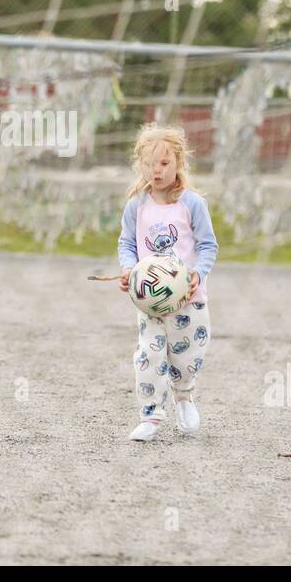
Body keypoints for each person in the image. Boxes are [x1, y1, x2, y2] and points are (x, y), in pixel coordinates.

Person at [117, 123, 218, 442]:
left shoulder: (191, 204)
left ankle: (184, 397)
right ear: (140, 164)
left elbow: (208, 246)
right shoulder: (136, 205)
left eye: (163, 163)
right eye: (149, 164)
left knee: (185, 359)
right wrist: (130, 270)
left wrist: (196, 274)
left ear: (178, 163)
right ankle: (151, 414)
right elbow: (126, 244)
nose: (156, 170)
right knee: (149, 355)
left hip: (189, 301)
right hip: (151, 302)